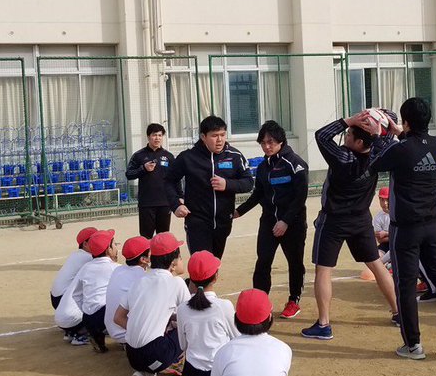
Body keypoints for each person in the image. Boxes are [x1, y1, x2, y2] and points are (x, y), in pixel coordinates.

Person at [367, 98, 436, 359]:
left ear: (407, 121)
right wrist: (399, 133)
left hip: (406, 228)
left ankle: (413, 344)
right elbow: (416, 145)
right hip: (432, 225)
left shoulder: (400, 150)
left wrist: (380, 136)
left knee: (404, 283)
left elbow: (374, 163)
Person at [300, 114, 399, 342]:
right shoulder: (377, 154)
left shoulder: (343, 158)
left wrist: (349, 119)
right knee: (375, 264)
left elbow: (321, 135)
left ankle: (324, 323)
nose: (346, 134)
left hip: (333, 219)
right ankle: (398, 312)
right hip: (360, 219)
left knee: (323, 269)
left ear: (359, 142)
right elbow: (387, 138)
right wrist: (380, 128)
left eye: (350, 134)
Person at [234, 120, 308, 320]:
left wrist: (285, 221)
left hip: (292, 224)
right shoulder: (263, 167)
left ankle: (294, 300)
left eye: (271, 142)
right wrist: (238, 212)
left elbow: (299, 198)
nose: (267, 146)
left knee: (295, 262)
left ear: (281, 142)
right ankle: (259, 301)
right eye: (263, 142)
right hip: (268, 222)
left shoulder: (296, 164)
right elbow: (258, 194)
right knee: (263, 261)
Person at [166, 116, 254, 259]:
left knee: (213, 268)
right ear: (203, 136)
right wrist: (175, 204)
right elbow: (168, 181)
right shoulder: (188, 157)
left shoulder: (235, 156)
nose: (219, 140)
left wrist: (228, 184)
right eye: (214, 136)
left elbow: (249, 182)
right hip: (197, 222)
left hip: (223, 222)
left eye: (222, 135)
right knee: (201, 267)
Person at [116, 232, 190, 376]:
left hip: (132, 356)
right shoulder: (176, 282)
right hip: (155, 354)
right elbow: (191, 319)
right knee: (191, 327)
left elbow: (118, 317)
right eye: (181, 258)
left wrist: (140, 326)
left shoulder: (139, 281)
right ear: (172, 264)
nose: (182, 261)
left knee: (171, 326)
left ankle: (146, 372)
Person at [178, 251, 239, 376]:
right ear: (216, 277)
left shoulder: (182, 308)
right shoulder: (224, 306)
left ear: (191, 279)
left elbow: (183, 345)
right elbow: (237, 338)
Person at [126, 124, 176, 237]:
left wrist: (180, 197)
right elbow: (129, 174)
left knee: (163, 237)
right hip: (146, 203)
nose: (157, 138)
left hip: (165, 203)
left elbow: (175, 179)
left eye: (160, 135)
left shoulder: (169, 156)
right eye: (154, 135)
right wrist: (143, 168)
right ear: (148, 137)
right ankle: (145, 255)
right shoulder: (138, 155)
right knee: (145, 237)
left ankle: (161, 256)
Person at [50, 226, 98, 344]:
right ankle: (80, 332)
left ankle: (71, 330)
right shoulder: (88, 257)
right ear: (86, 244)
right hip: (63, 300)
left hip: (57, 300)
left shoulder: (76, 255)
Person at [105, 237, 151, 347]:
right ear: (143, 259)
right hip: (126, 332)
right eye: (150, 251)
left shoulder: (118, 269)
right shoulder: (143, 278)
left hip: (112, 329)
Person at [373, 187, 391, 255]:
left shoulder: (399, 213)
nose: (385, 203)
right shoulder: (377, 218)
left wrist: (386, 234)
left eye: (387, 200)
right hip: (386, 245)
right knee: (375, 257)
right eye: (382, 200)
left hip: (402, 243)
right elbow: (380, 240)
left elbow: (403, 235)